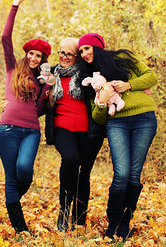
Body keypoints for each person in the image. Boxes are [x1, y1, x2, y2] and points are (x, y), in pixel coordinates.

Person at [78, 33, 157, 241]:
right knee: (121, 173)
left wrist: (129, 85)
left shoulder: (123, 59)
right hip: (117, 123)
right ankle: (112, 224)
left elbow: (152, 77)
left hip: (144, 120)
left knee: (134, 175)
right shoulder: (92, 79)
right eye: (81, 52)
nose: (84, 54)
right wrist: (103, 102)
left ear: (98, 47)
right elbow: (98, 117)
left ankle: (125, 223)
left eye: (87, 48)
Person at [0, 0, 53, 234]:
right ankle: (21, 228)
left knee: (24, 171)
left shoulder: (42, 80)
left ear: (42, 60)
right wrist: (14, 6)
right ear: (26, 54)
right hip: (7, 129)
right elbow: (5, 36)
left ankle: (11, 202)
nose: (33, 57)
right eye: (30, 53)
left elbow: (39, 110)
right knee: (11, 177)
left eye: (38, 56)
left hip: (31, 131)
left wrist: (48, 87)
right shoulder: (12, 68)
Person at [44, 37, 106, 232]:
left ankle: (79, 220)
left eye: (70, 54)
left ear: (77, 56)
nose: (65, 57)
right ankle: (64, 209)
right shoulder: (50, 74)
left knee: (84, 173)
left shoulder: (87, 73)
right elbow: (32, 89)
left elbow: (110, 75)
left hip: (89, 130)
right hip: (62, 126)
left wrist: (134, 85)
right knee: (71, 159)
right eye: (62, 52)